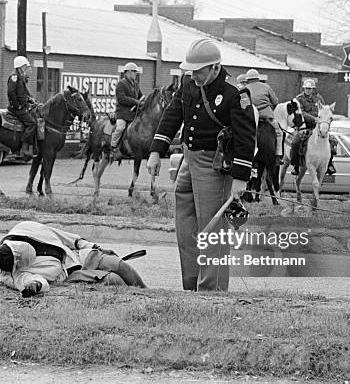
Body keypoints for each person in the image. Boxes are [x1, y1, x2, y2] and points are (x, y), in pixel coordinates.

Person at [146, 38, 256, 292]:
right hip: (188, 158)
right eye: (191, 71)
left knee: (212, 229)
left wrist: (240, 178)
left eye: (199, 71)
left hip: (214, 165)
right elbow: (173, 114)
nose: (193, 76)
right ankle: (191, 286)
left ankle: (211, 291)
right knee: (186, 226)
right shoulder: (188, 83)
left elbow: (246, 137)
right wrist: (156, 150)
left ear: (215, 68)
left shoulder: (234, 93)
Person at [0, 221, 147, 297]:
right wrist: (34, 287)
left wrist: (92, 246)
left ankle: (148, 294)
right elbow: (29, 281)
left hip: (77, 256)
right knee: (114, 279)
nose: (23, 265)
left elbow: (63, 236)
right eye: (20, 265)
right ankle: (134, 300)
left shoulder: (26, 228)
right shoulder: (12, 274)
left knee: (119, 265)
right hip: (69, 274)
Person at [286, 100, 338, 176]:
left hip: (318, 128)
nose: (308, 90)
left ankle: (329, 164)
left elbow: (325, 111)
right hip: (304, 127)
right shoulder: (300, 99)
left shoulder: (318, 97)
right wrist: (314, 119)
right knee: (295, 142)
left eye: (310, 88)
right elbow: (301, 113)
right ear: (304, 88)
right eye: (307, 88)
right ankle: (295, 165)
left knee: (331, 143)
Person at [244, 68, 283, 164]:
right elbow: (275, 102)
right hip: (267, 116)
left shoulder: (244, 89)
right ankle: (278, 156)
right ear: (258, 78)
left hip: (251, 118)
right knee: (279, 133)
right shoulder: (266, 87)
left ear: (247, 79)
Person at [110, 62, 145, 162]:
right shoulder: (121, 83)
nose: (136, 74)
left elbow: (140, 97)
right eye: (134, 72)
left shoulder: (136, 84)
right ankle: (113, 146)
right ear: (128, 72)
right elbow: (121, 99)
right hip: (123, 113)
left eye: (136, 72)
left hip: (134, 113)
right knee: (120, 128)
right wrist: (136, 102)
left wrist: (144, 102)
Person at [7, 55, 38, 159]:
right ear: (20, 67)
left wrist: (31, 100)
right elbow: (11, 93)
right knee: (32, 123)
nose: (26, 68)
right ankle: (24, 147)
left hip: (22, 106)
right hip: (17, 108)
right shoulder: (14, 77)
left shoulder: (21, 78)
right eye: (25, 66)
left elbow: (23, 94)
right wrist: (17, 106)